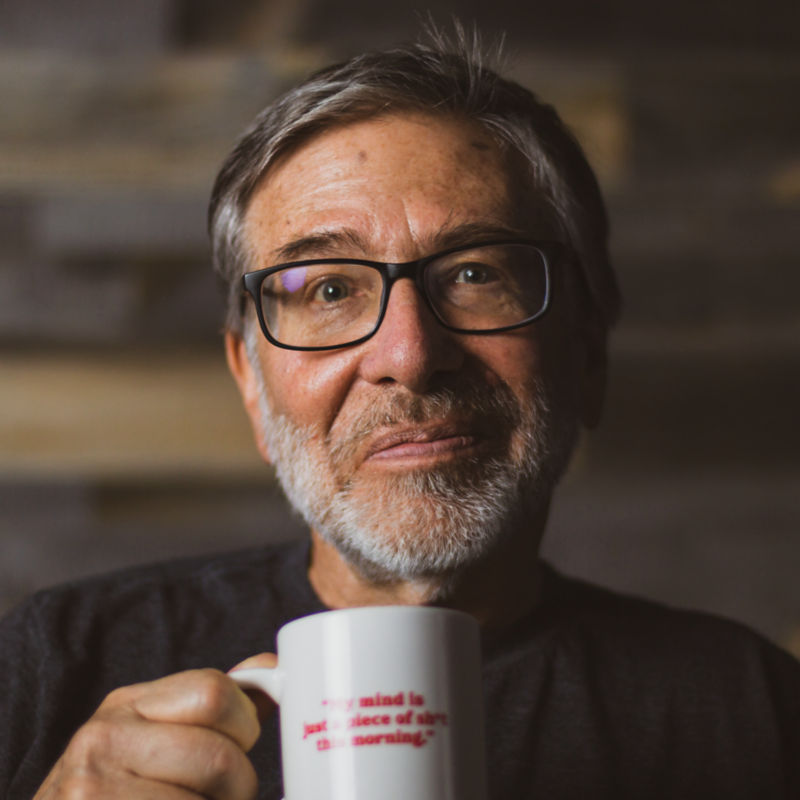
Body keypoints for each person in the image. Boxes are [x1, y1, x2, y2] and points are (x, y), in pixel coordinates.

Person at [1, 29, 798, 800]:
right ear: (251, 381)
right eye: (330, 290)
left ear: (586, 355)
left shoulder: (758, 713)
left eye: (477, 272)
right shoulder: (50, 668)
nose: (410, 354)